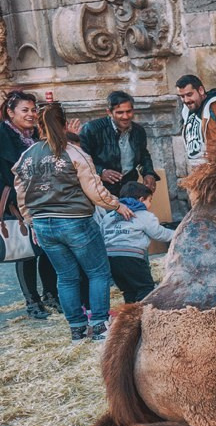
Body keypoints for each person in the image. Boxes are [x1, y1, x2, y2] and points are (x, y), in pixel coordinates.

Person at [12, 102, 133, 342]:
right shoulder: (74, 152)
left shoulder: (27, 156)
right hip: (75, 221)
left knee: (65, 277)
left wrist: (31, 221)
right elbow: (95, 191)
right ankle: (99, 326)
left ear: (39, 125)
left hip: (44, 223)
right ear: (65, 124)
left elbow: (21, 192)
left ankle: (77, 330)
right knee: (97, 272)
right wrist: (117, 205)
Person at [1, 89, 59, 319]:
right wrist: (14, 200)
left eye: (34, 110)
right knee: (26, 251)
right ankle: (32, 301)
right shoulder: (3, 135)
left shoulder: (35, 134)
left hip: (42, 198)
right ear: (10, 112)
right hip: (15, 201)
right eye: (25, 110)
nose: (31, 114)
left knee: (47, 248)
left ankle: (50, 294)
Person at [98, 181, 174, 303]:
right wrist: (179, 234)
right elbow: (159, 234)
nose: (150, 204)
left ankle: (130, 315)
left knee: (128, 290)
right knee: (145, 288)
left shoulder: (109, 216)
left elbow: (102, 234)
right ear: (141, 199)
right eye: (149, 201)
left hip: (111, 259)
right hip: (133, 258)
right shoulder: (144, 215)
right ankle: (143, 315)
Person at [79, 90, 160, 197]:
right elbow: (81, 160)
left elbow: (143, 155)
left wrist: (148, 173)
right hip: (101, 189)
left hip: (128, 187)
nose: (125, 116)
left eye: (129, 111)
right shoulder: (92, 129)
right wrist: (100, 172)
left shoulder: (138, 131)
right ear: (109, 112)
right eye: (120, 112)